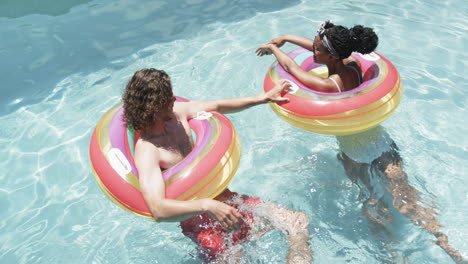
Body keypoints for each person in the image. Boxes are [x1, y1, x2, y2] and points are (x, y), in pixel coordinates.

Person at [122, 68, 312, 263]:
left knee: (296, 221)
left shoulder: (178, 113)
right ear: (155, 106)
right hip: (200, 221)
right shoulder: (148, 150)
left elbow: (217, 105)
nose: (173, 99)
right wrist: (207, 205)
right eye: (167, 97)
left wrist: (262, 98)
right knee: (234, 259)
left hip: (227, 199)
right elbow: (158, 210)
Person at [336, 126, 466, 263]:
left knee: (372, 203)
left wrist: (354, 180)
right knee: (404, 196)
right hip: (378, 143)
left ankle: (391, 254)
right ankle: (450, 250)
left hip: (354, 149)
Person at [256, 20, 378, 93]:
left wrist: (273, 48)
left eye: (317, 49)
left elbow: (290, 67)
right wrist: (286, 37)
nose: (313, 49)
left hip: (348, 133)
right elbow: (321, 48)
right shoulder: (353, 64)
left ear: (331, 57)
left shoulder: (329, 85)